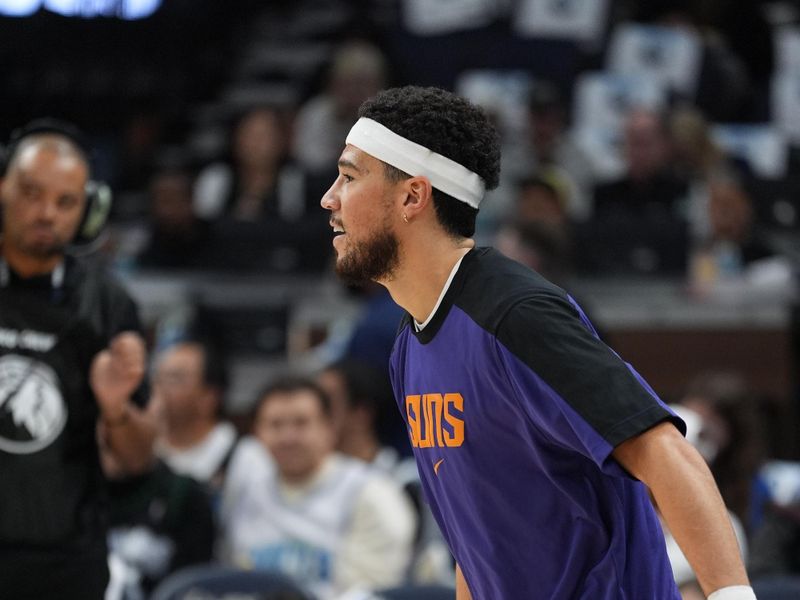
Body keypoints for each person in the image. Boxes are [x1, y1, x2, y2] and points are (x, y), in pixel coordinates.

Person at [320, 85, 754, 599]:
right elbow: (475, 546)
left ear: (413, 196)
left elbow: (666, 452)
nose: (329, 197)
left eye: (349, 176)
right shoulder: (409, 345)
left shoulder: (515, 314)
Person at [0, 119, 156, 598]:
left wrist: (115, 408)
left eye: (66, 202)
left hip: (64, 563)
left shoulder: (108, 305)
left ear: (88, 212)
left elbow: (138, 458)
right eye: (31, 192)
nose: (46, 213)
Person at [220, 376, 416, 600]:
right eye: (275, 425)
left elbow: (373, 592)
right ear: (257, 433)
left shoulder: (372, 491)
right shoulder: (245, 488)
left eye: (301, 423)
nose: (288, 437)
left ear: (329, 428)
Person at [149, 339, 238, 494]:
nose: (160, 388)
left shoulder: (241, 457)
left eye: (174, 378)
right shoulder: (143, 450)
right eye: (158, 377)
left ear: (209, 397)